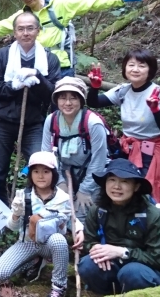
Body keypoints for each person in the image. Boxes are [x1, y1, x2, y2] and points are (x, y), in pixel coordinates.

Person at [0, 0, 152, 77]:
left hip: (62, 66)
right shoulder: (23, 17)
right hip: (36, 66)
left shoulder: (60, 5)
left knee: (63, 107)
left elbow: (90, 2)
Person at [86, 49, 160, 207]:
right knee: (121, 184)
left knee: (145, 189)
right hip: (128, 147)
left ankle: (150, 218)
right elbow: (94, 103)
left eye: (142, 66)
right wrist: (94, 87)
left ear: (150, 70)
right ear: (125, 68)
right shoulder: (123, 90)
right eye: (131, 65)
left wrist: (155, 110)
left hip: (152, 149)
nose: (135, 69)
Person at [0, 11, 61, 204]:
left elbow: (53, 94)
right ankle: (0, 210)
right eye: (21, 29)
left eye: (30, 28)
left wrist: (38, 77)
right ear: (14, 32)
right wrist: (13, 86)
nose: (25, 33)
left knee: (40, 165)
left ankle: (32, 208)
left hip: (34, 123)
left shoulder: (50, 59)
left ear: (38, 30)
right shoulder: (3, 55)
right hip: (2, 121)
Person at [0, 152, 83, 297]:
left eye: (46, 171)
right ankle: (34, 262)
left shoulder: (63, 198)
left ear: (53, 174)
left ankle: (59, 286)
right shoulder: (23, 195)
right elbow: (13, 227)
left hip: (50, 244)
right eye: (36, 171)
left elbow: (72, 219)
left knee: (59, 240)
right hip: (27, 242)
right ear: (30, 174)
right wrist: (16, 214)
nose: (41, 176)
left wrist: (79, 231)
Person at [78, 159, 160, 294]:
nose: (117, 186)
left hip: (143, 272)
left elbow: (156, 258)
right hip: (112, 266)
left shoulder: (151, 215)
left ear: (136, 187)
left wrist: (122, 252)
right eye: (112, 180)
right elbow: (89, 242)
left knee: (131, 272)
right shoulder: (98, 210)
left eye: (124, 181)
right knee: (87, 265)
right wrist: (97, 250)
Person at [41, 76, 108, 223]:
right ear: (56, 100)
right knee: (56, 214)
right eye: (62, 98)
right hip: (63, 174)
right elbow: (47, 157)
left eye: (73, 98)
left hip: (92, 177)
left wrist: (85, 190)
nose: (67, 103)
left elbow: (99, 160)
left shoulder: (92, 123)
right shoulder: (51, 120)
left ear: (81, 100)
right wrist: (60, 182)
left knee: (82, 216)